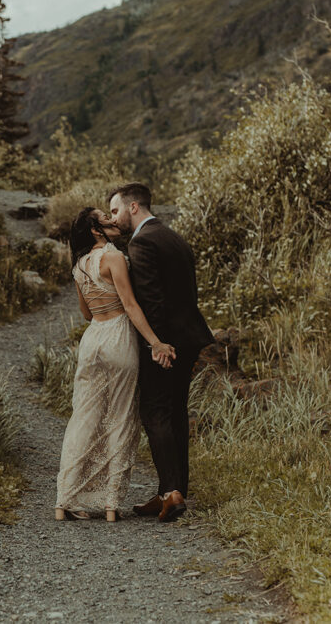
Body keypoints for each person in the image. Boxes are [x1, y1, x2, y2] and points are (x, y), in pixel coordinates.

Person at [55, 207, 176, 523]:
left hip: (92, 339)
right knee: (121, 418)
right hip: (118, 337)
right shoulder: (114, 258)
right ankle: (110, 504)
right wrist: (156, 342)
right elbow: (132, 307)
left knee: (84, 417)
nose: (111, 220)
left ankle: (63, 500)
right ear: (96, 230)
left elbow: (85, 314)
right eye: (104, 218)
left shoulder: (79, 265)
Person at [108, 182, 214, 522]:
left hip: (165, 342)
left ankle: (171, 492)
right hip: (190, 335)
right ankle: (172, 488)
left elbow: (152, 300)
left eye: (116, 210)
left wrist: (157, 345)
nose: (115, 218)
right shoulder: (173, 237)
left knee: (154, 412)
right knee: (176, 412)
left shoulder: (142, 242)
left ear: (133, 206)